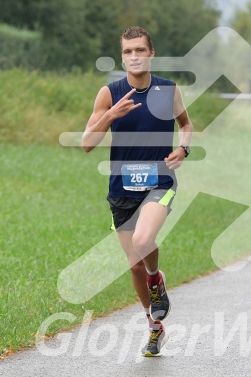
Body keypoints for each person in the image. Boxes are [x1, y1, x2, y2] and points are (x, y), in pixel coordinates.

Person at [81, 26, 193, 356]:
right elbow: (87, 143)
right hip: (122, 188)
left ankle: (156, 279)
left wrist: (183, 149)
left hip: (160, 181)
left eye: (139, 50)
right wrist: (111, 116)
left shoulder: (168, 90)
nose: (134, 56)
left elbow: (185, 125)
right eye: (128, 51)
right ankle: (155, 327)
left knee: (145, 243)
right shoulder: (109, 93)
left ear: (151, 53)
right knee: (133, 266)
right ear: (122, 56)